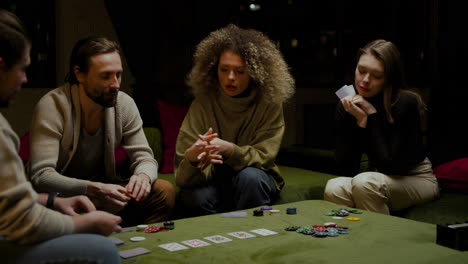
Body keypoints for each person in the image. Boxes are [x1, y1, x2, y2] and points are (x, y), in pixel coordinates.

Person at [0, 9, 122, 264]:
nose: (24, 80)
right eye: (22, 69)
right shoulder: (42, 109)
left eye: (118, 75)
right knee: (103, 250)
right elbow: (22, 220)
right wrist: (84, 223)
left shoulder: (123, 103)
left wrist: (52, 201)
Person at [28, 36, 175, 225]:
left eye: (118, 75)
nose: (116, 84)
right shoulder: (52, 106)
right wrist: (93, 189)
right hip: (61, 196)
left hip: (103, 189)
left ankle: (147, 243)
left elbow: (145, 157)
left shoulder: (124, 103)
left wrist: (142, 177)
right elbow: (41, 175)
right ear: (80, 74)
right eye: (105, 76)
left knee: (164, 190)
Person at [174, 24, 295, 216]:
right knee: (191, 197)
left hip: (255, 176)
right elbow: (181, 177)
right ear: (214, 69)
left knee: (250, 179)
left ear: (255, 72)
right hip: (213, 179)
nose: (230, 78)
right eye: (224, 69)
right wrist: (192, 159)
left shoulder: (268, 103)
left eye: (240, 71)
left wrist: (230, 150)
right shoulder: (203, 102)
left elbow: (264, 157)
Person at [324, 39, 439, 214]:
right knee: (334, 187)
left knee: (366, 183)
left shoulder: (404, 102)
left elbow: (391, 166)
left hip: (415, 177)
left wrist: (371, 116)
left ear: (388, 78)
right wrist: (360, 122)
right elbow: (345, 168)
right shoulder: (348, 105)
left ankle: (377, 239)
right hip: (378, 177)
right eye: (361, 71)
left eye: (376, 76)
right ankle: (349, 238)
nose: (365, 81)